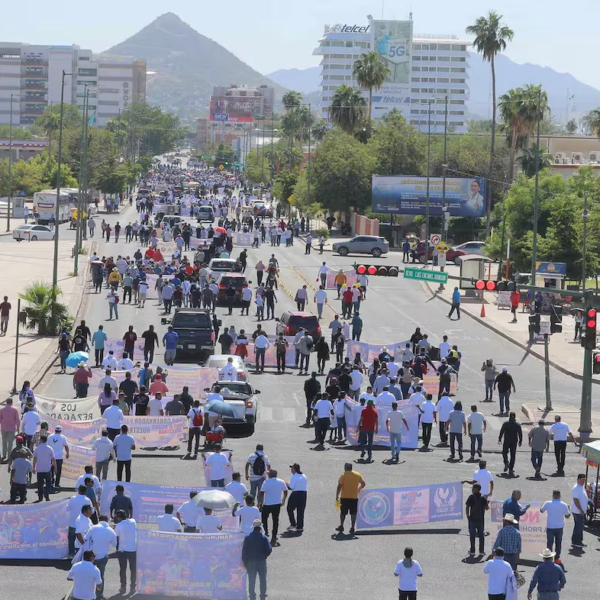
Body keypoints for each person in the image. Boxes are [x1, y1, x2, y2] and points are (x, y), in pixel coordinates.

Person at [86, 515, 117, 599]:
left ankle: (88, 593)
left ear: (99, 520)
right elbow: (114, 544)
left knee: (89, 575)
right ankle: (99, 595)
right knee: (101, 576)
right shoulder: (111, 531)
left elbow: (86, 538)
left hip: (91, 556)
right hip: (103, 556)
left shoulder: (93, 528)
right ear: (107, 521)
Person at [242, 519, 272, 600]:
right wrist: (264, 556)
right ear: (260, 527)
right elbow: (269, 550)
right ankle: (262, 595)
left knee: (251, 579)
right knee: (262, 579)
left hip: (251, 561)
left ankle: (252, 595)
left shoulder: (248, 538)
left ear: (253, 527)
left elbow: (244, 552)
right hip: (261, 561)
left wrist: (245, 562)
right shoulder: (264, 538)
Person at [540, 489, 570, 564]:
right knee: (558, 543)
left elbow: (541, 510)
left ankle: (548, 558)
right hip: (559, 527)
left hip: (550, 527)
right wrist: (568, 510)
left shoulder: (548, 503)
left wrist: (543, 504)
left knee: (549, 543)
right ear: (560, 496)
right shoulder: (564, 504)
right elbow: (567, 516)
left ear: (553, 495)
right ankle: (557, 559)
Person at [258, 469, 288, 544]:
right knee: (275, 520)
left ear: (270, 475)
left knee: (264, 518)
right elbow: (285, 491)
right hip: (277, 504)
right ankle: (274, 536)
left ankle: (265, 532)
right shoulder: (281, 481)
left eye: (268, 474)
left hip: (267, 504)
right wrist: (283, 500)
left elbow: (261, 493)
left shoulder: (266, 482)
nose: (267, 475)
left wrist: (259, 502)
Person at [336, 462, 365, 535]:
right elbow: (363, 483)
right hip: (354, 497)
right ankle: (352, 527)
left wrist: (337, 495)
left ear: (345, 468)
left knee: (343, 513)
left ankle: (341, 526)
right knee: (353, 513)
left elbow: (339, 486)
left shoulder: (344, 475)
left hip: (344, 497)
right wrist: (358, 489)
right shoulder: (357, 474)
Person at [114, 509, 137, 595]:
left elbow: (116, 537)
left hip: (122, 550)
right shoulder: (133, 521)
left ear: (119, 517)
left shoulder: (119, 526)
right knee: (133, 569)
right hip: (133, 549)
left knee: (123, 569)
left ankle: (123, 587)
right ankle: (132, 587)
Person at [466, 483, 489, 556]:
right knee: (481, 536)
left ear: (476, 489)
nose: (472, 490)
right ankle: (481, 551)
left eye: (473, 488)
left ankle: (472, 551)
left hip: (472, 519)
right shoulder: (483, 498)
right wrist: (487, 503)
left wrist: (468, 516)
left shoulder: (471, 497)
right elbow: (486, 508)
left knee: (472, 536)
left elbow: (467, 507)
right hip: (480, 520)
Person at [498, 412, 523, 476]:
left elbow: (502, 431)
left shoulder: (506, 424)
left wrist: (500, 438)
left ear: (509, 417)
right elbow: (520, 433)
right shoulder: (517, 425)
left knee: (504, 452)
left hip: (507, 440)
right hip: (514, 441)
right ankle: (511, 469)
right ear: (514, 417)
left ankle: (506, 462)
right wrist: (520, 441)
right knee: (513, 455)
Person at [33, 434, 55, 502]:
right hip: (47, 469)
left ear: (41, 440)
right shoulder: (50, 448)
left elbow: (34, 459)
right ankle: (46, 494)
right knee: (48, 483)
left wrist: (33, 467)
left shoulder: (37, 448)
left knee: (40, 484)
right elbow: (53, 459)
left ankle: (40, 496)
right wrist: (55, 467)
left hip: (39, 469)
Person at [287, 463, 308, 532]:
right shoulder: (304, 475)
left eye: (292, 468)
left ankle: (293, 524)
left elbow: (291, 487)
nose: (291, 470)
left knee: (289, 509)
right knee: (300, 511)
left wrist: (286, 484)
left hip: (296, 494)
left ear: (294, 469)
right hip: (304, 494)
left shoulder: (294, 476)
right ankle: (300, 526)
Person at [48, 425, 69, 489]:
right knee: (58, 471)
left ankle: (51, 482)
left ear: (55, 430)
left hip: (51, 457)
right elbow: (66, 446)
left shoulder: (50, 436)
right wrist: (67, 453)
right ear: (60, 431)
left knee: (50, 470)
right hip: (59, 457)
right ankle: (57, 484)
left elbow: (47, 445)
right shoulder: (63, 437)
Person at [570, 473, 588, 548]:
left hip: (579, 510)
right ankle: (577, 541)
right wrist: (580, 510)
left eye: (584, 480)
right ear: (578, 480)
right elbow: (575, 500)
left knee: (578, 526)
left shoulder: (581, 486)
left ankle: (575, 540)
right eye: (582, 480)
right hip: (578, 511)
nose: (583, 481)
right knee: (579, 526)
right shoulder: (576, 488)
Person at [0, 397, 20, 462]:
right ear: (11, 402)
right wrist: (18, 428)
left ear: (6, 402)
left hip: (3, 428)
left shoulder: (2, 410)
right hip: (11, 428)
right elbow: (17, 419)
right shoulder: (15, 410)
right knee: (10, 443)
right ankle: (9, 456)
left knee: (4, 442)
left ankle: (4, 455)